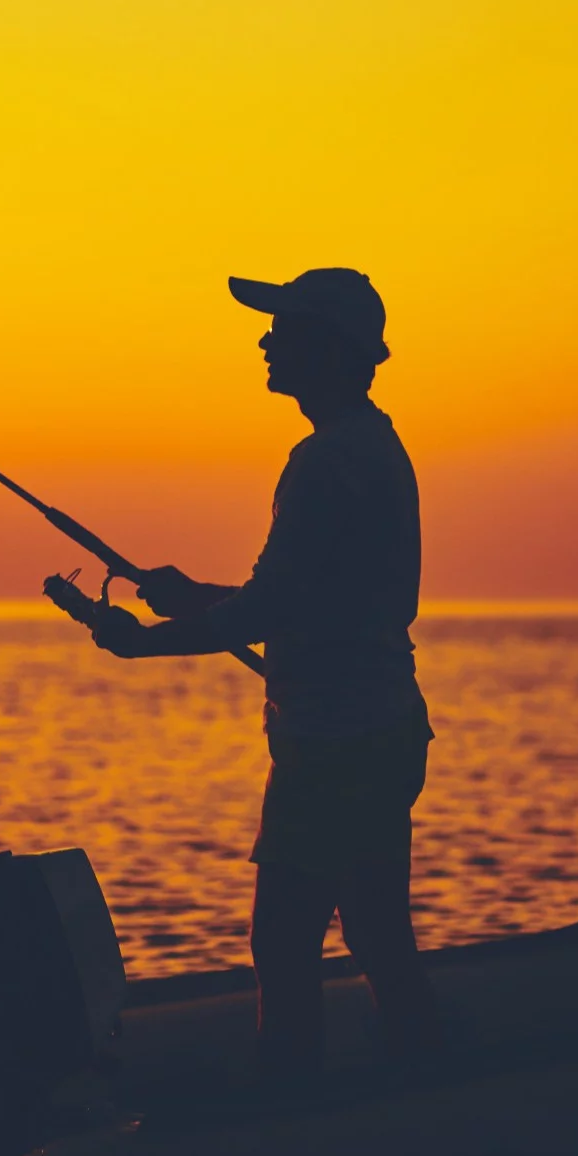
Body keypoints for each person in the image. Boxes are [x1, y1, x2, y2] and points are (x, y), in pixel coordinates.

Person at [90, 267, 440, 1082]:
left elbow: (272, 610)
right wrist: (191, 601)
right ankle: (425, 1080)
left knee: (283, 938)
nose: (265, 341)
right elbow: (308, 600)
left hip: (335, 746)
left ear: (326, 347)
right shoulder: (372, 447)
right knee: (378, 931)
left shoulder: (323, 463)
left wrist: (143, 643)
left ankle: (290, 1100)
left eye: (281, 329)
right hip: (380, 730)